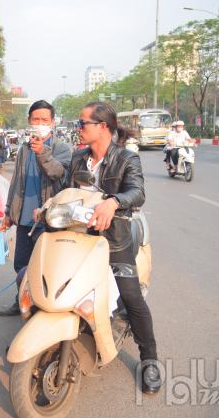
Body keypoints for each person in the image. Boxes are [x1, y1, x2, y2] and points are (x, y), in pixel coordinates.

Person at [68, 101, 161, 394]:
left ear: (102, 127)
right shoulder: (77, 158)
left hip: (115, 238)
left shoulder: (126, 159)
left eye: (82, 123)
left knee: (132, 298)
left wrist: (114, 200)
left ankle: (150, 361)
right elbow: (65, 191)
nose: (78, 129)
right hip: (78, 237)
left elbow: (138, 192)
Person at [0, 100, 72, 316]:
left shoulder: (61, 148)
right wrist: (9, 212)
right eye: (36, 119)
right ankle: (21, 300)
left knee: (44, 266)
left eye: (44, 120)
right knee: (21, 263)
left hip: (47, 220)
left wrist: (42, 153)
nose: (40, 123)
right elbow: (16, 182)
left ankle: (42, 306)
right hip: (23, 218)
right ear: (29, 121)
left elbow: (58, 173)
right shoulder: (23, 148)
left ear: (52, 123)